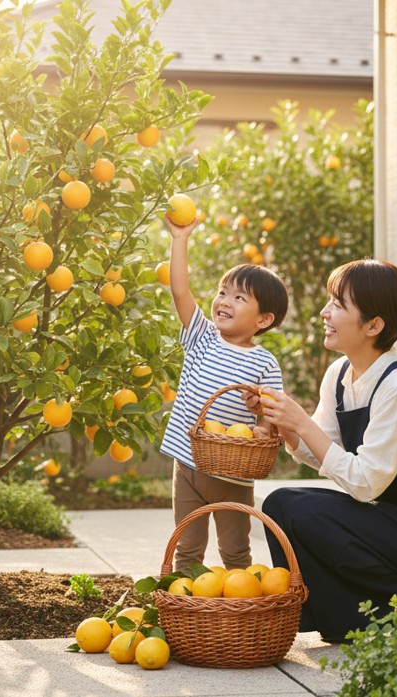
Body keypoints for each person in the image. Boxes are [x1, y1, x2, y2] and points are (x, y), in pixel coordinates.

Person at [250, 258, 397, 643]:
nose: (325, 312)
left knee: (302, 509)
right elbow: (322, 449)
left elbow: (366, 483)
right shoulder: (339, 374)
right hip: (387, 518)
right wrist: (286, 425)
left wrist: (301, 421)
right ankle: (345, 619)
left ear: (373, 325)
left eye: (338, 304)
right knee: (281, 505)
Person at [159, 212, 289, 572]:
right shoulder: (201, 337)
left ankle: (236, 620)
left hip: (233, 474)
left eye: (239, 297)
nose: (225, 301)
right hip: (186, 463)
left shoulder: (265, 363)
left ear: (263, 320)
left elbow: (272, 416)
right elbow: (180, 290)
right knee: (187, 549)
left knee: (235, 553)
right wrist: (180, 239)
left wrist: (264, 429)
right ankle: (186, 613)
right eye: (222, 292)